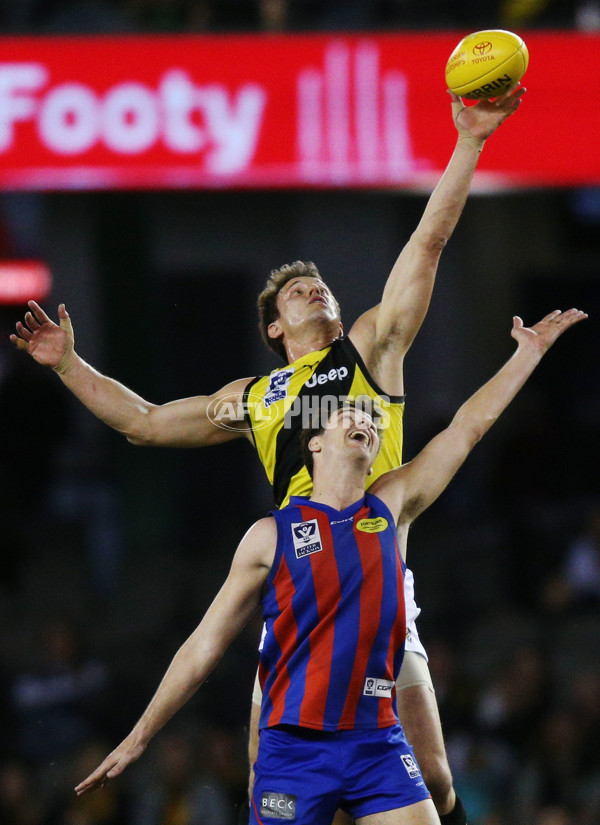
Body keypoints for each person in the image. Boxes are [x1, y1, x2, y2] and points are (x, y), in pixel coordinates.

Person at [11, 88, 525, 825]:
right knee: (272, 775)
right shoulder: (252, 398)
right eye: (293, 291)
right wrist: (68, 365)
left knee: (438, 780)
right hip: (300, 592)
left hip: (379, 579)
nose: (312, 288)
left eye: (318, 284)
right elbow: (147, 423)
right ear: (274, 327)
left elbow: (428, 244)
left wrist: (470, 142)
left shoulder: (371, 348)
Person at [73, 308, 586, 825]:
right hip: (294, 752)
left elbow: (468, 428)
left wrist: (527, 356)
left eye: (369, 417)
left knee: (437, 787)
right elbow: (203, 646)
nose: (363, 418)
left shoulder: (392, 503)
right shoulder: (269, 536)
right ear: (313, 444)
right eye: (348, 414)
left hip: (376, 742)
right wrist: (139, 737)